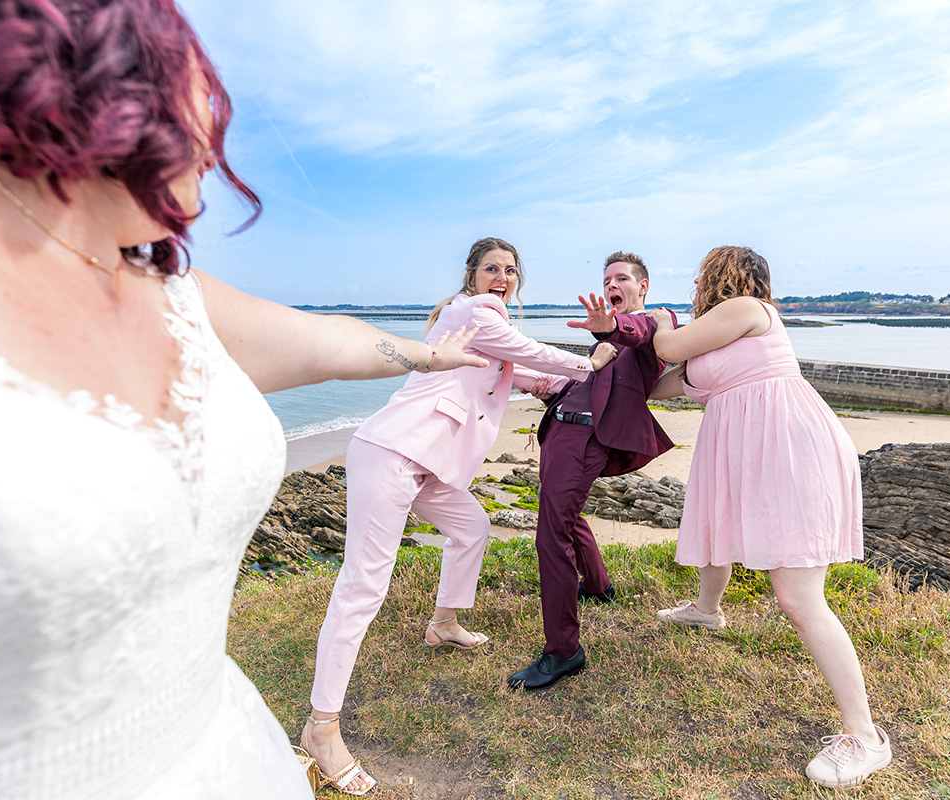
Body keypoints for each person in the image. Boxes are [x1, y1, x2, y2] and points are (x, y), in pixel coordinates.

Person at [0, 2, 489, 798]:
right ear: (126, 65)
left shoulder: (159, 287)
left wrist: (435, 355)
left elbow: (332, 340)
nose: (219, 149)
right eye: (209, 97)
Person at [301, 237, 617, 794]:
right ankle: (321, 729)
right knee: (362, 589)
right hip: (394, 453)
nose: (503, 277)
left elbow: (521, 374)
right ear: (472, 276)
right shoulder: (476, 311)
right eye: (492, 268)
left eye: (511, 270)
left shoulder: (478, 332)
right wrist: (588, 359)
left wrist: (589, 379)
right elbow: (530, 352)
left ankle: (443, 623)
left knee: (471, 527)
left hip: (428, 465)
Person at [648, 246, 890, 788]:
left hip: (787, 450)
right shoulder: (719, 349)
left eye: (703, 275)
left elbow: (665, 345)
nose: (698, 283)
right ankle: (706, 610)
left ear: (722, 277)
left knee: (799, 599)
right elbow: (661, 384)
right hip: (749, 452)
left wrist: (656, 320)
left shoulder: (748, 310)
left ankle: (867, 736)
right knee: (718, 530)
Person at [507, 252, 675, 691]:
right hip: (560, 428)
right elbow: (594, 385)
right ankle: (597, 584)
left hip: (586, 441)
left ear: (643, 286)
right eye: (607, 279)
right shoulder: (604, 334)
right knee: (564, 514)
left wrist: (611, 328)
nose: (612, 285)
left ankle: (563, 651)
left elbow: (637, 333)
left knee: (551, 531)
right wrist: (553, 391)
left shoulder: (655, 321)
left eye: (621, 278)